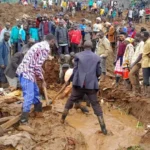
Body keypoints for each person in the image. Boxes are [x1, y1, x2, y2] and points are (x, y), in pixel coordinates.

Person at [61, 40, 107, 135]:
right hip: (91, 85)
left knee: (71, 100)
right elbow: (99, 72)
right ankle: (103, 129)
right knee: (95, 104)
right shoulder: (97, 57)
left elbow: (75, 70)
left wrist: (70, 81)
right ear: (92, 47)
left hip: (79, 84)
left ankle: (62, 119)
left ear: (83, 46)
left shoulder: (78, 56)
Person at [16, 34, 55, 124]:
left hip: (28, 70)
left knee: (35, 91)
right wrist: (42, 80)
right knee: (29, 95)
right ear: (52, 41)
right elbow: (37, 66)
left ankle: (38, 111)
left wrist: (40, 69)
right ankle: (23, 119)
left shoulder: (38, 44)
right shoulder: (45, 48)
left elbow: (34, 61)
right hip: (27, 72)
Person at [141, 31, 150, 97]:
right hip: (145, 62)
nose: (142, 37)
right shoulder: (146, 42)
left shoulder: (148, 43)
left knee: (146, 80)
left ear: (147, 36)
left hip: (147, 63)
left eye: (143, 36)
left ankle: (147, 93)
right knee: (145, 79)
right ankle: (145, 93)